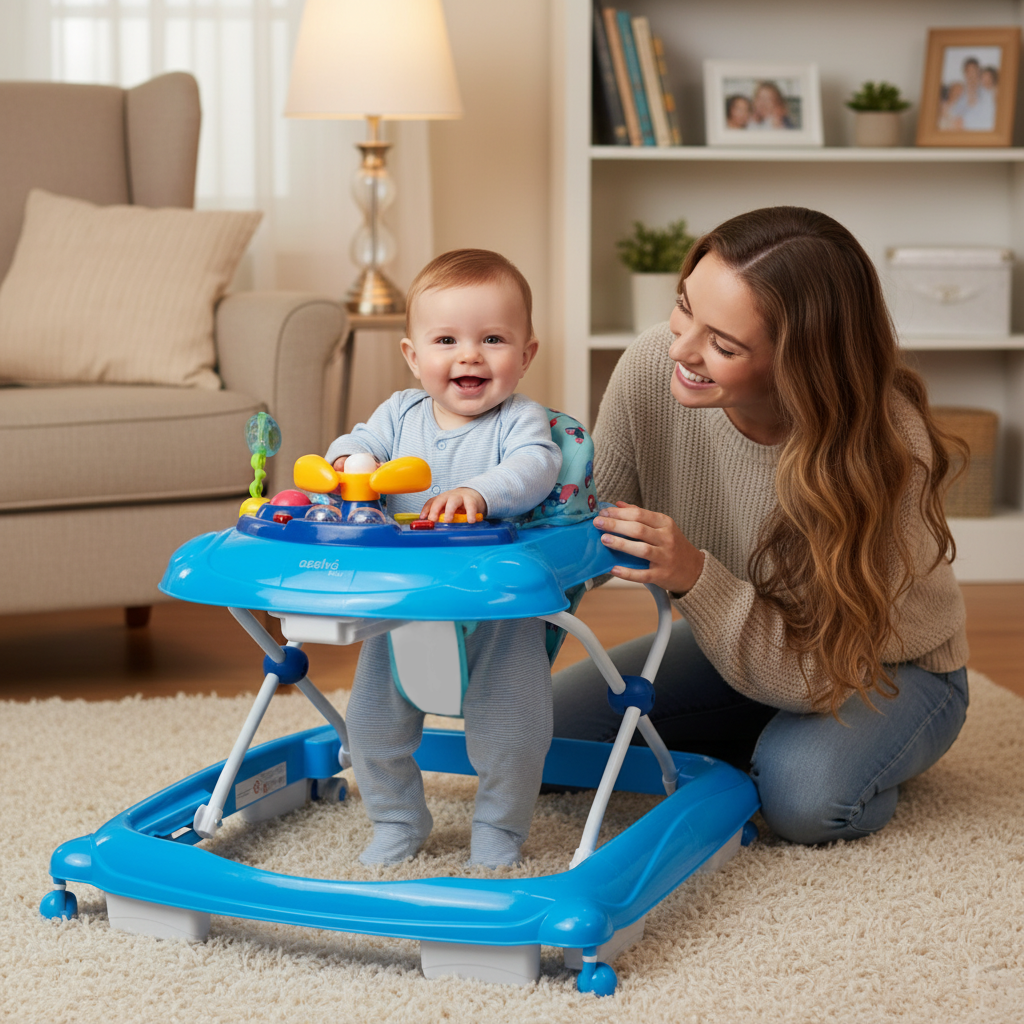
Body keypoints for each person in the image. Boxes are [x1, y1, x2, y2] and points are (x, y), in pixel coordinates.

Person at [551, 207, 969, 846]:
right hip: (740, 641)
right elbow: (591, 529)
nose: (681, 348)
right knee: (541, 738)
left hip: (883, 666)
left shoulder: (884, 449)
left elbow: (815, 677)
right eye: (685, 306)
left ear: (799, 362)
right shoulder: (649, 369)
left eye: (723, 344)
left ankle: (830, 753)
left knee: (803, 799)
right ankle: (761, 737)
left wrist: (694, 575)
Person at [326, 249, 561, 867]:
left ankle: (500, 830)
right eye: (447, 339)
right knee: (372, 727)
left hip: (497, 606)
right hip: (403, 603)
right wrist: (353, 462)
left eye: (493, 339)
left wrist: (481, 492)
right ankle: (398, 819)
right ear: (413, 355)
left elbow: (538, 467)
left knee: (512, 733)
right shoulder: (398, 414)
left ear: (526, 354)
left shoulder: (519, 420)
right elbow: (357, 442)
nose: (469, 355)